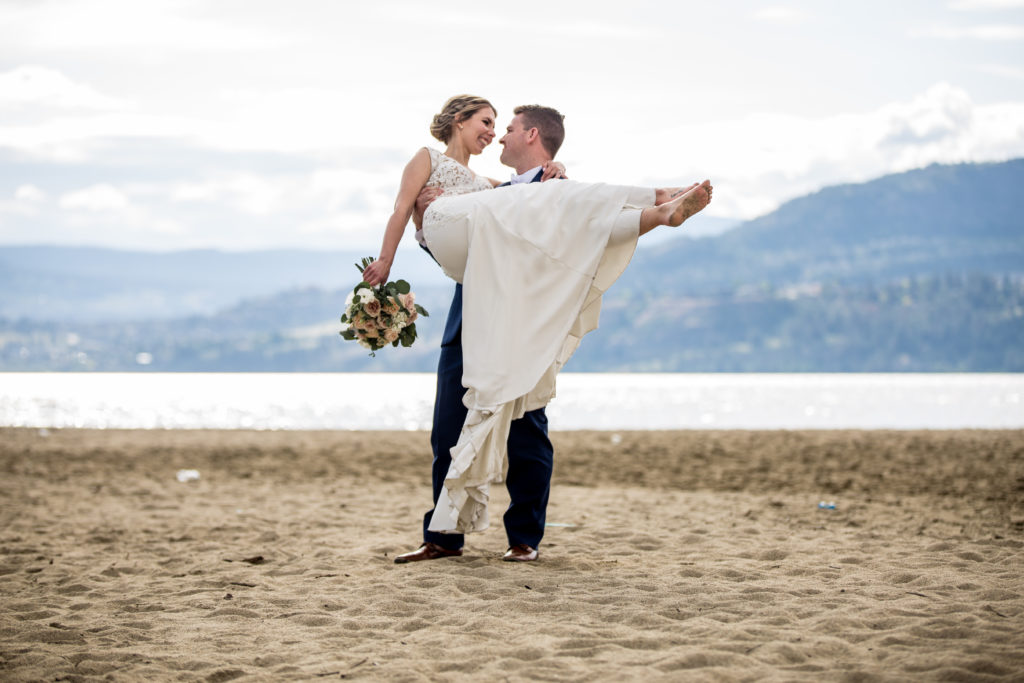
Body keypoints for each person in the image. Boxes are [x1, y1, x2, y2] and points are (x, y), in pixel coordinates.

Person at [362, 95, 712, 563]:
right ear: (459, 122)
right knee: (447, 426)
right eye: (488, 123)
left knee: (527, 425)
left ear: (530, 135)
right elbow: (430, 225)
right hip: (472, 306)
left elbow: (582, 223)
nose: (496, 134)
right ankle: (442, 537)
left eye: (503, 127)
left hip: (527, 309)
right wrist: (402, 245)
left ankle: (524, 539)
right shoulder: (489, 187)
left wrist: (558, 172)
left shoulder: (550, 189)